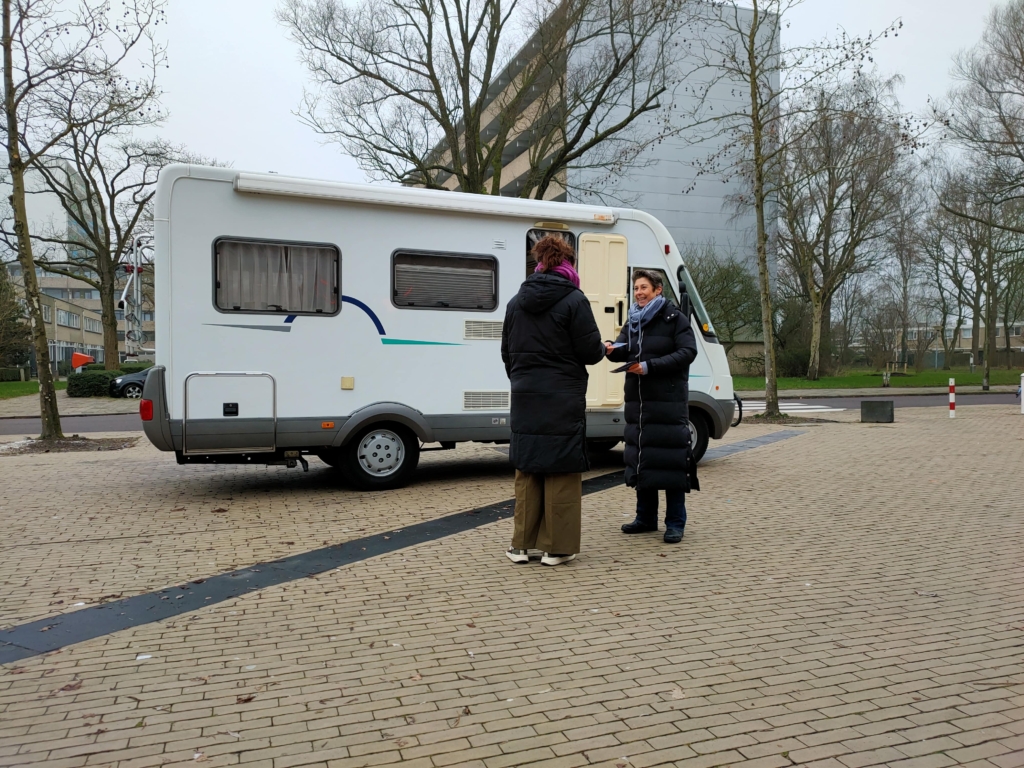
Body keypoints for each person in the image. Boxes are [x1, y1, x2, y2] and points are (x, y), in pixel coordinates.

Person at [501, 235, 606, 566]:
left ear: (538, 261)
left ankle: (521, 545)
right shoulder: (575, 300)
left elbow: (507, 352)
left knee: (529, 469)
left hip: (525, 395)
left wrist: (522, 379)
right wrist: (604, 348)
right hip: (562, 397)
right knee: (561, 471)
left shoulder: (516, 302)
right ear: (567, 262)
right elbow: (591, 353)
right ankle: (556, 548)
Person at [606, 269, 699, 544]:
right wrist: (613, 349)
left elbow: (687, 353)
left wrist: (649, 367)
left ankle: (675, 523)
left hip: (667, 403)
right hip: (639, 404)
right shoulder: (633, 319)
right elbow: (626, 349)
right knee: (643, 460)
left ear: (658, 290)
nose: (638, 293)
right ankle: (645, 518)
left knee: (670, 462)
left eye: (644, 287)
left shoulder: (675, 318)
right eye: (635, 288)